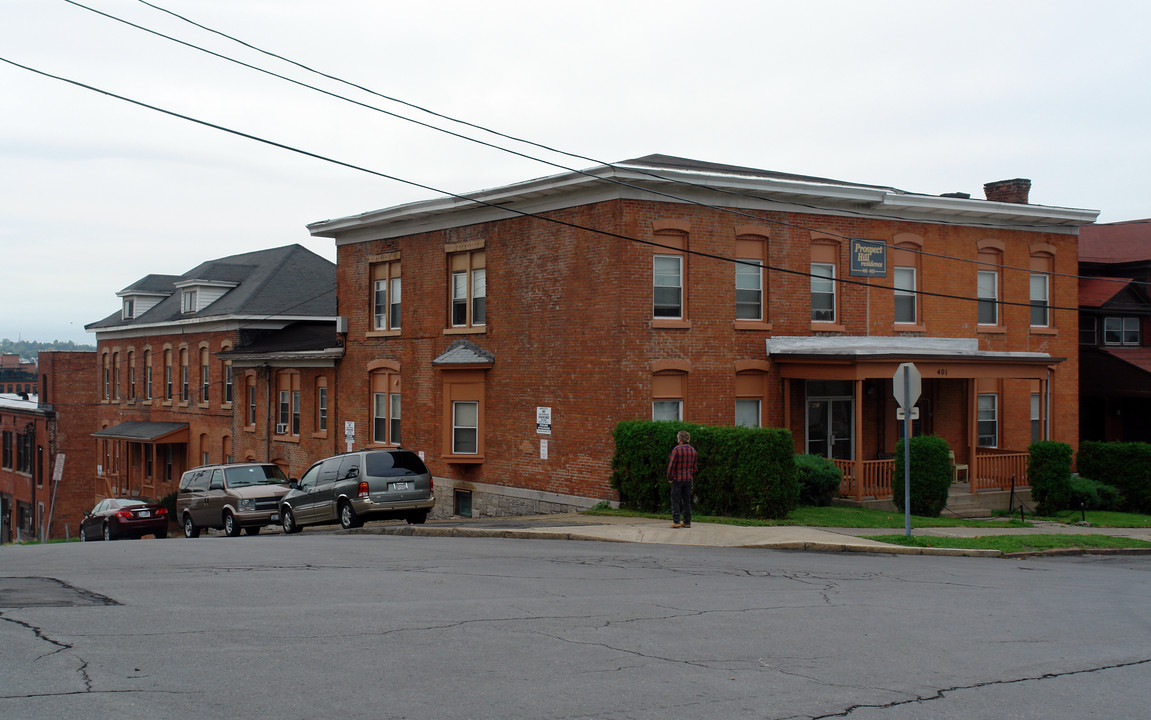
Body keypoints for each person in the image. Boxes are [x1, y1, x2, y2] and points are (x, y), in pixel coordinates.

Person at [666, 430, 697, 528]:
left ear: (679, 440)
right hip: (688, 478)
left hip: (677, 478)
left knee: (675, 500)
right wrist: (691, 475)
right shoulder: (693, 450)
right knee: (686, 500)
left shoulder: (677, 450)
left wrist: (670, 477)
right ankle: (687, 522)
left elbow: (671, 466)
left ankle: (676, 521)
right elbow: (694, 467)